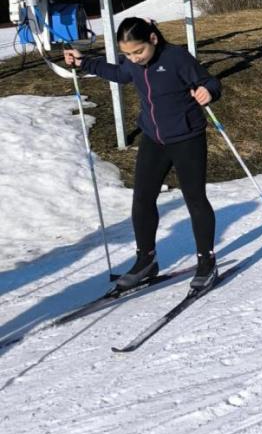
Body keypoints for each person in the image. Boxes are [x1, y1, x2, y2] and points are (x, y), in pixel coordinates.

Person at [64, 17, 223, 293]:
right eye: (127, 54)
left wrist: (207, 91)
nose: (134, 59)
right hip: (154, 138)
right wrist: (83, 62)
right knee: (142, 199)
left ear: (152, 39)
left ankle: (206, 262)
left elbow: (209, 81)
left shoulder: (176, 57)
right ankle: (146, 260)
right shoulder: (132, 64)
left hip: (186, 137)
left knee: (195, 199)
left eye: (138, 51)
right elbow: (118, 73)